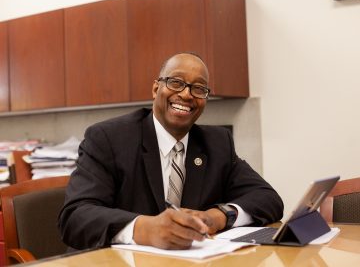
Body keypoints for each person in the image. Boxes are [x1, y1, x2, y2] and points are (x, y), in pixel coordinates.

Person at [58, 52, 283, 250]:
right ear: (156, 89)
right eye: (176, 82)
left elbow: (268, 199)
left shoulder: (217, 142)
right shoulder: (109, 139)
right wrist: (145, 229)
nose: (186, 95)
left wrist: (219, 216)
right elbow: (75, 217)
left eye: (199, 88)